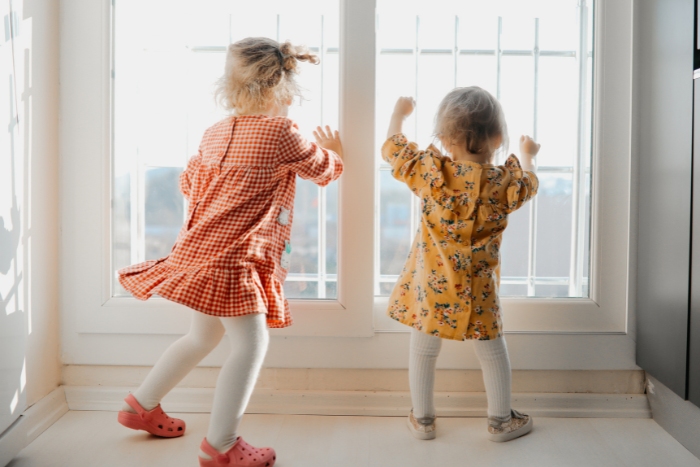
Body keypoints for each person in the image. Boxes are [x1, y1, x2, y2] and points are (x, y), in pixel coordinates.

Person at [116, 37, 343, 467]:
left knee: (201, 336)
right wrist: (336, 152)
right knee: (251, 346)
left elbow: (188, 184)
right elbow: (323, 170)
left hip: (199, 251)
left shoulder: (214, 131)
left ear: (231, 85)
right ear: (283, 89)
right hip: (234, 258)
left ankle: (140, 405)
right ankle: (220, 445)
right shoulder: (282, 132)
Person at [381, 88, 539, 442]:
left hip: (433, 283)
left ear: (444, 137)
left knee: (423, 345)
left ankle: (423, 419)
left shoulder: (431, 173)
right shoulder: (504, 184)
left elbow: (393, 147)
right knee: (492, 347)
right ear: (498, 137)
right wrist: (528, 155)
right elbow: (530, 184)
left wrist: (399, 114)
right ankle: (500, 420)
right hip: (479, 288)